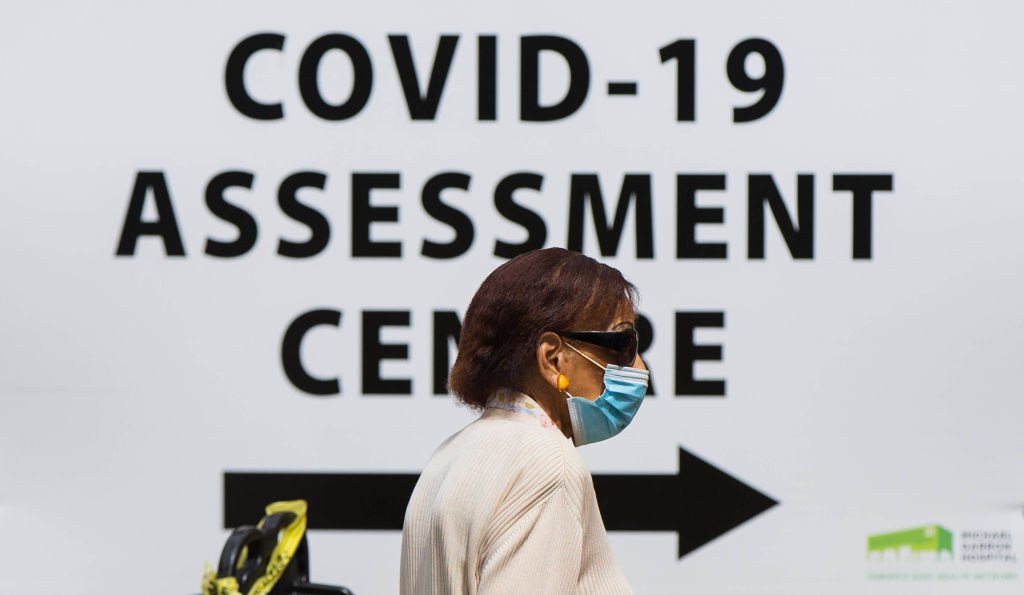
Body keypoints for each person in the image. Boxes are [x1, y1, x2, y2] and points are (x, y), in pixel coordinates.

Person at [400, 247, 648, 594]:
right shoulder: (549, 465)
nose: (639, 368)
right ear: (553, 359)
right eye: (623, 343)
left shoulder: (448, 456)